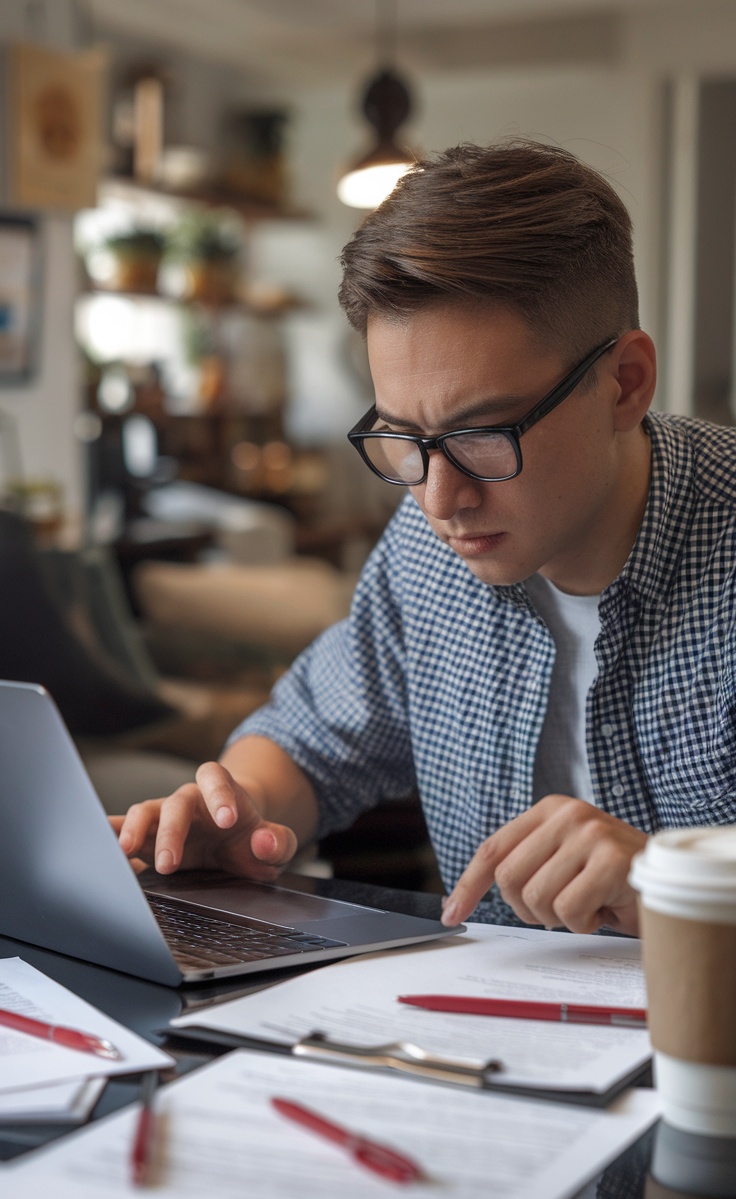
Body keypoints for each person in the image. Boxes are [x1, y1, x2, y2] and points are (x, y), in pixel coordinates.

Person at [114, 139, 736, 938]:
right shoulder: (427, 546)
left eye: (484, 434)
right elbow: (308, 740)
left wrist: (678, 890)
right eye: (404, 437)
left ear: (625, 384)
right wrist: (236, 809)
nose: (442, 498)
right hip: (477, 1042)